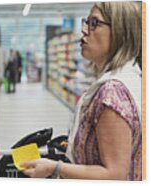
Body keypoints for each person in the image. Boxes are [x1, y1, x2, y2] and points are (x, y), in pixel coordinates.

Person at [21, 2, 142, 180]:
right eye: (86, 22)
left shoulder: (112, 92)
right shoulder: (131, 77)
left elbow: (115, 175)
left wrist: (54, 168)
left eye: (95, 23)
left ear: (120, 32)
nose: (84, 30)